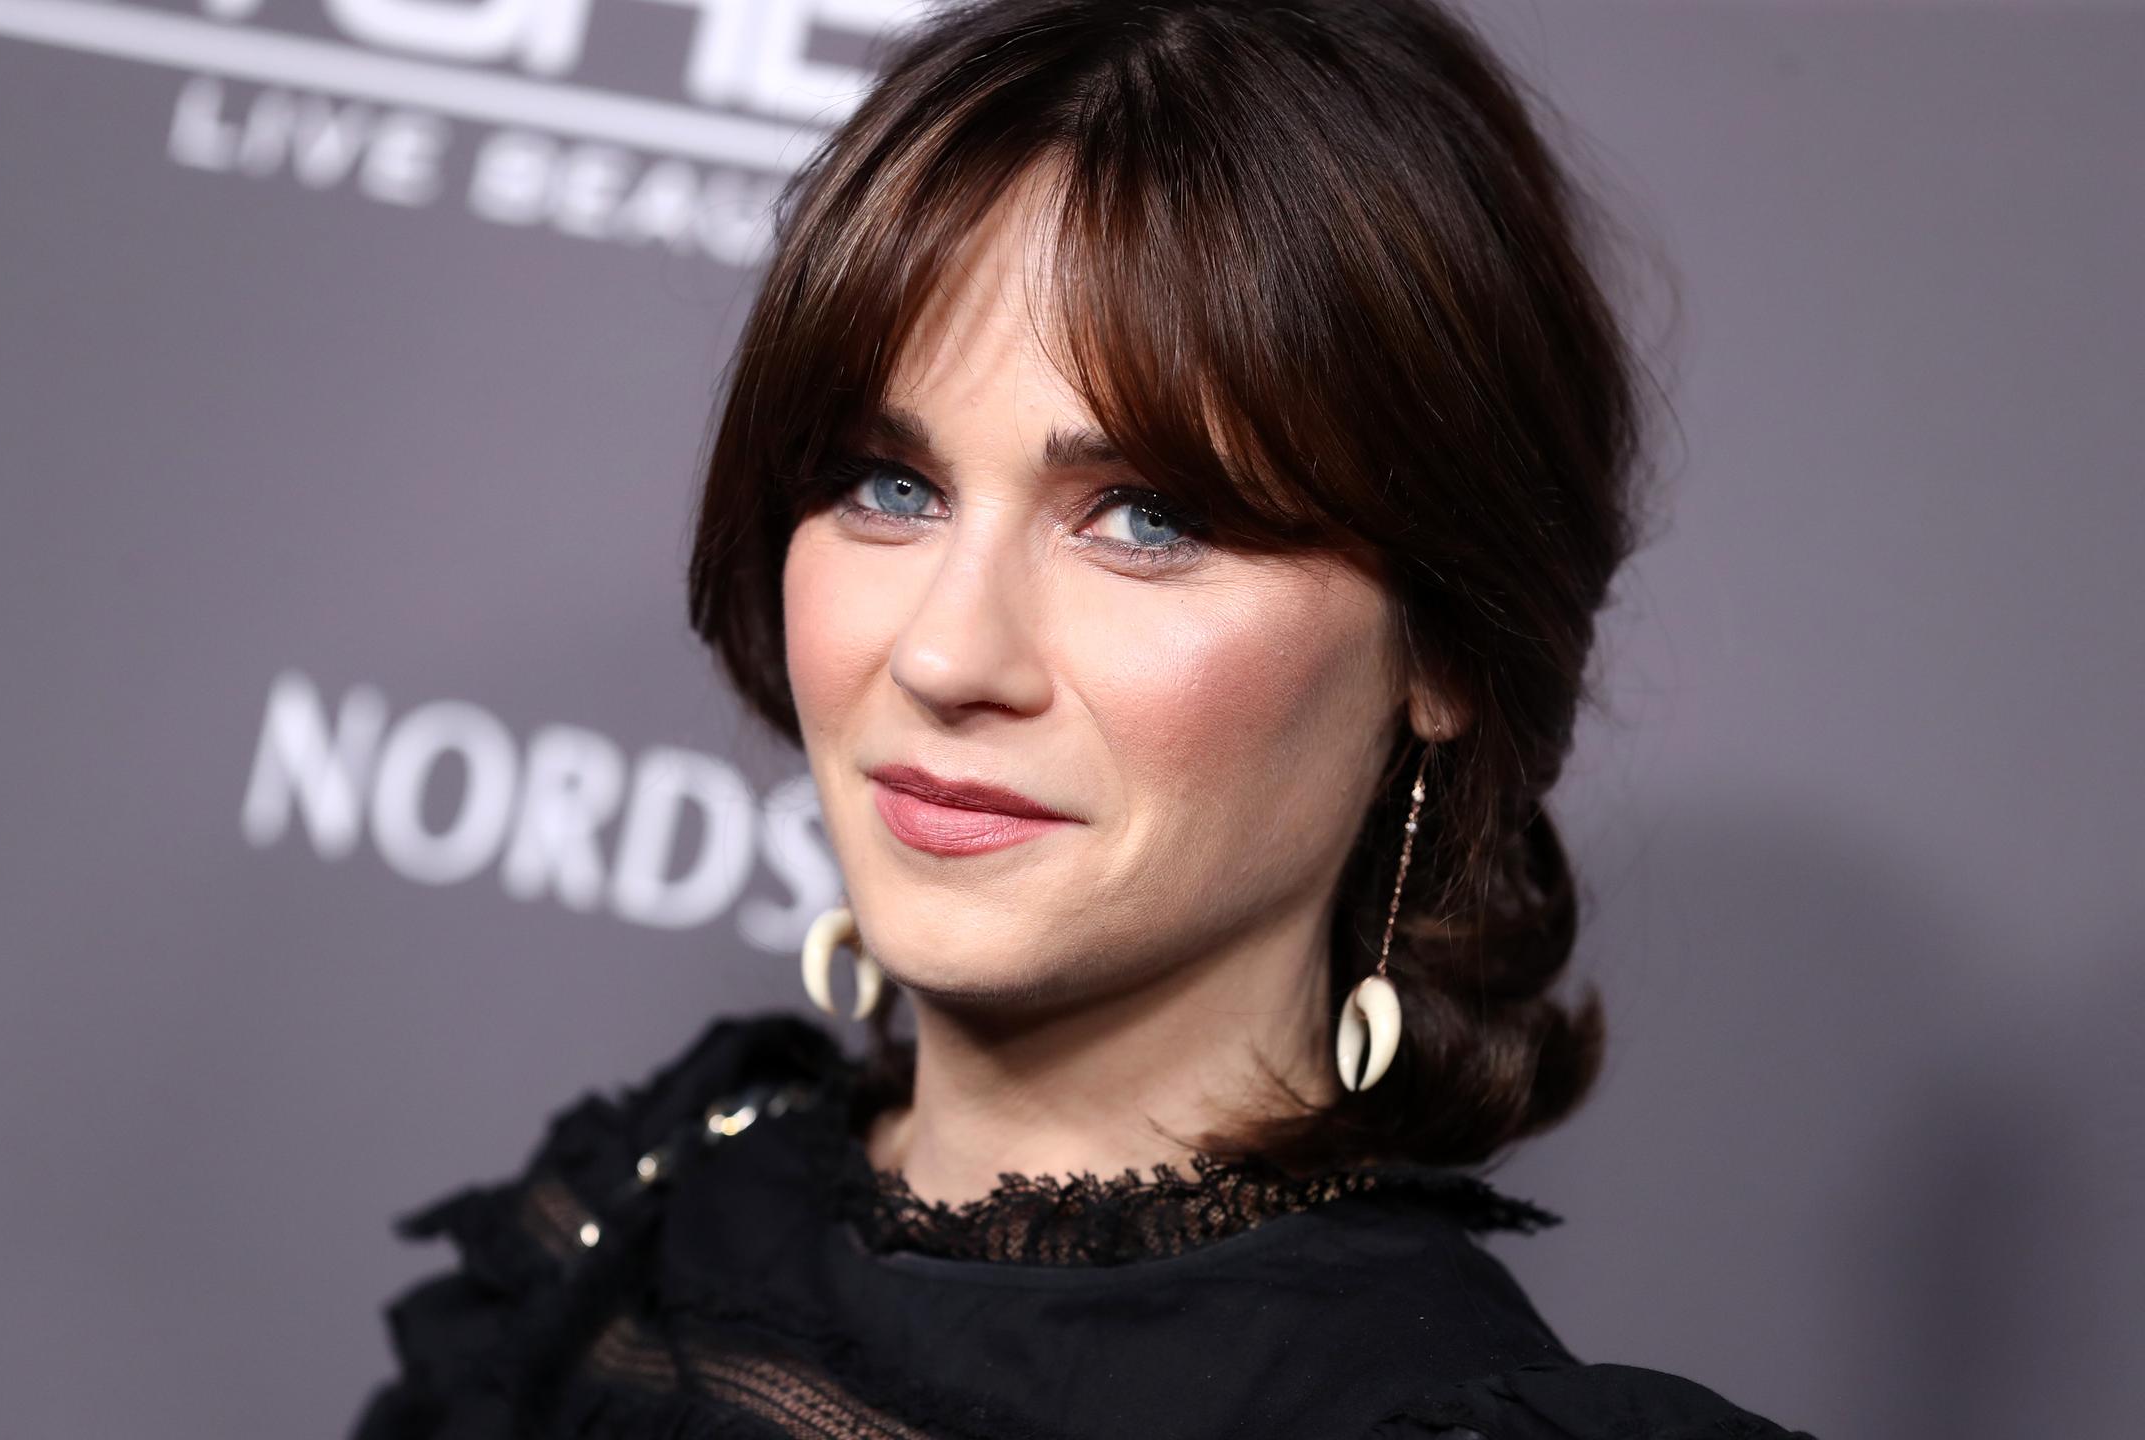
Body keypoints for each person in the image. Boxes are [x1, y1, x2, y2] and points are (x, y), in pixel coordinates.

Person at [350, 2, 1815, 1435]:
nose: (947, 652)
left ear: (1445, 647)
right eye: (889, 486)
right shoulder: (628, 1219)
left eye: (1149, 518)